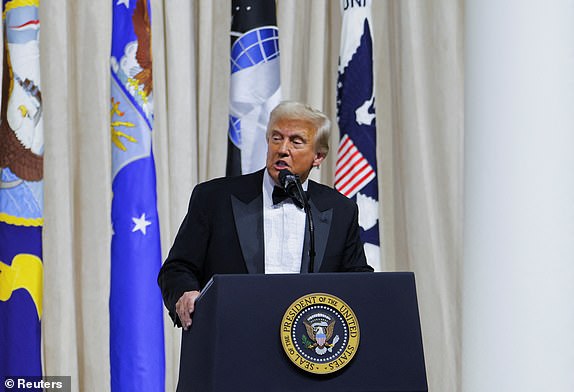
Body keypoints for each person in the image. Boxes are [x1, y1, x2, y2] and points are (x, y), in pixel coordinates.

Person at [158, 101, 373, 330]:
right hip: (232, 337)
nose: (282, 149)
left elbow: (357, 279)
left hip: (309, 347)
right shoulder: (214, 198)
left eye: (296, 142)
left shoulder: (340, 210)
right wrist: (186, 293)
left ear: (318, 157)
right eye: (276, 138)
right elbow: (177, 268)